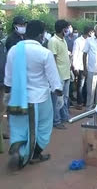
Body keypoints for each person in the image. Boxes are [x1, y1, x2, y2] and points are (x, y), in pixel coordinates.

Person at [4, 20, 63, 170]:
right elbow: (54, 78)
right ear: (40, 35)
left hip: (17, 99)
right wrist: (60, 95)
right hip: (39, 98)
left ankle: (19, 148)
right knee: (43, 128)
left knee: (20, 128)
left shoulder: (13, 50)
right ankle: (32, 155)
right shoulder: (44, 53)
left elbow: (8, 77)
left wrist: (7, 94)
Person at [48, 20, 71, 130]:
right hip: (58, 76)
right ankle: (56, 121)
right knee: (57, 100)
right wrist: (55, 77)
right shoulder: (53, 41)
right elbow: (52, 60)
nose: (68, 30)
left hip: (66, 74)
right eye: (67, 28)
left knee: (65, 99)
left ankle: (64, 117)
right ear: (63, 29)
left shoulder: (63, 40)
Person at [72, 26, 94, 110]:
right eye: (92, 32)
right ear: (89, 32)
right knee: (80, 85)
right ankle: (79, 102)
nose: (93, 34)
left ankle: (85, 101)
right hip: (81, 66)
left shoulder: (91, 41)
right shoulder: (78, 41)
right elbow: (75, 54)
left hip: (90, 66)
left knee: (87, 85)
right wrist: (75, 67)